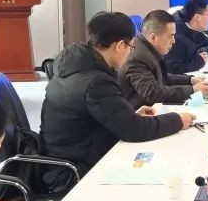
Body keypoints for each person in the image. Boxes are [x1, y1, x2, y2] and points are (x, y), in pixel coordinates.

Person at [42, 12, 194, 178]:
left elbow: (98, 117)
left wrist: (129, 115)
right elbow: (134, 130)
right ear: (120, 45)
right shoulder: (96, 81)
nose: (130, 53)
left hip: (72, 152)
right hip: (76, 170)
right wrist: (177, 120)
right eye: (131, 47)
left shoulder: (78, 66)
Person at [120, 9, 208, 107]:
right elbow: (152, 93)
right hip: (139, 112)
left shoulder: (146, 48)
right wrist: (192, 90)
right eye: (170, 36)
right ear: (153, 37)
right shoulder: (138, 58)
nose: (173, 41)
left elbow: (162, 77)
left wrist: (190, 80)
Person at [164, 0, 208, 73]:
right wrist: (199, 62)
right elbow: (172, 70)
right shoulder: (177, 36)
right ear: (197, 16)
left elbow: (197, 34)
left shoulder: (186, 19)